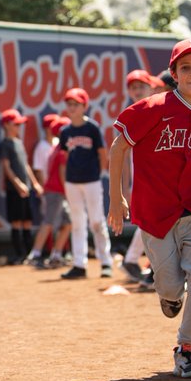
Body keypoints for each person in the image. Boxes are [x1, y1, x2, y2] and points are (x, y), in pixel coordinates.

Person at [107, 38, 191, 379]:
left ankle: (187, 349)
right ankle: (169, 296)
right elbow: (118, 148)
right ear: (174, 73)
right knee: (170, 287)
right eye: (186, 67)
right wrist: (116, 197)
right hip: (154, 213)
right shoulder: (153, 107)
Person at [58, 87, 112, 279]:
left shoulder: (92, 128)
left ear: (84, 106)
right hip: (72, 182)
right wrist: (65, 180)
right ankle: (79, 264)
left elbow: (102, 153)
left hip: (91, 180)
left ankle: (105, 262)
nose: (72, 108)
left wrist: (100, 173)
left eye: (76, 104)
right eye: (69, 104)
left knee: (96, 221)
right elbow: (63, 156)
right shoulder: (65, 131)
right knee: (77, 223)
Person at [119, 70, 157, 283]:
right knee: (151, 219)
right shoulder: (132, 113)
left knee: (152, 220)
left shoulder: (159, 108)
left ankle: (135, 260)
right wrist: (125, 186)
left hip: (158, 174)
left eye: (141, 85)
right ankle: (146, 265)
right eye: (133, 86)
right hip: (144, 177)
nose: (137, 90)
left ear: (151, 87)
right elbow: (122, 152)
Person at [27, 116, 74, 268]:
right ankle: (34, 255)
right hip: (56, 192)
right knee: (48, 222)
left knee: (68, 223)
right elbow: (62, 172)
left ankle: (56, 255)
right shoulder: (60, 150)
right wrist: (68, 191)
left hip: (56, 191)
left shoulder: (56, 148)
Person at [0, 108, 42, 264]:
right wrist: (18, 184)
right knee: (17, 221)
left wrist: (35, 183)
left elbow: (26, 166)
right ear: (6, 125)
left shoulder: (19, 142)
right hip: (15, 190)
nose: (18, 127)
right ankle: (19, 254)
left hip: (27, 189)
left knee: (27, 221)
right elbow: (6, 167)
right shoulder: (5, 144)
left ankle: (29, 254)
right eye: (15, 124)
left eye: (19, 124)